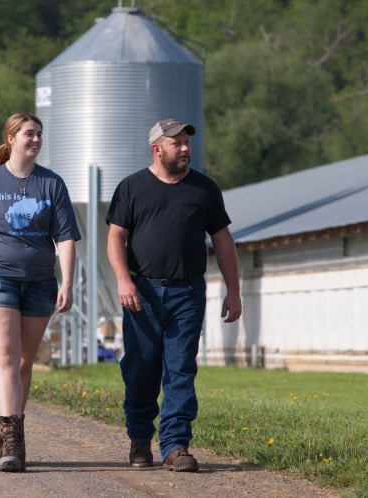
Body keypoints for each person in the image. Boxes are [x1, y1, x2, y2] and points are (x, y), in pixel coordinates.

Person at [105, 118, 242, 472]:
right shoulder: (132, 188)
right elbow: (115, 238)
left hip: (188, 292)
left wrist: (233, 291)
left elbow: (223, 240)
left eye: (186, 142)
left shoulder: (204, 189)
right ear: (157, 149)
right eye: (176, 143)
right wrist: (123, 280)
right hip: (143, 293)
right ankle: (139, 438)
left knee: (180, 369)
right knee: (141, 369)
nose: (185, 148)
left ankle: (176, 445)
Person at [0, 112, 80, 472]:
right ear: (11, 139)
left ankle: (14, 424)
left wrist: (67, 282)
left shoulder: (51, 184)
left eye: (39, 134)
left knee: (24, 361)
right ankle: (11, 440)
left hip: (40, 280)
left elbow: (66, 237)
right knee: (6, 354)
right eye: (28, 133)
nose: (35, 139)